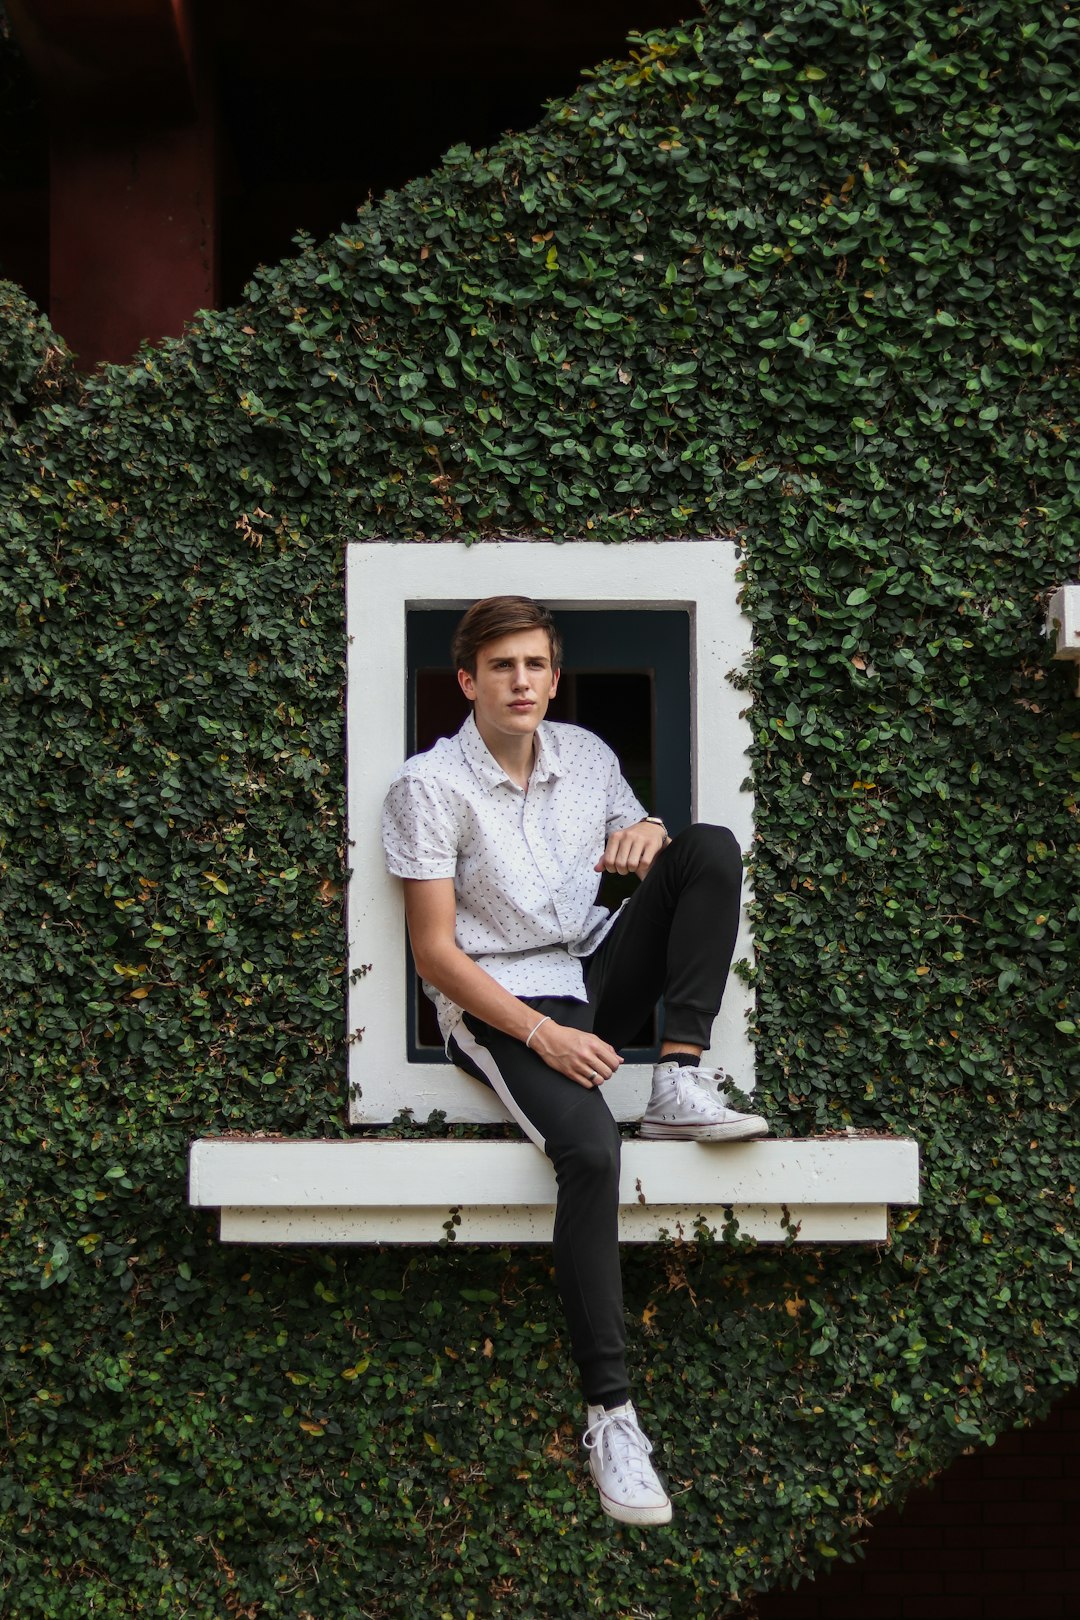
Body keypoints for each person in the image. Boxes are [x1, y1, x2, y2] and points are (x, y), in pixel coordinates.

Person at [381, 596, 769, 1527]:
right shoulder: (429, 787)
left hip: (589, 963)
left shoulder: (588, 756)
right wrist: (542, 1034)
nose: (522, 682)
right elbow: (436, 954)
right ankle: (612, 1414)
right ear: (467, 681)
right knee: (592, 1153)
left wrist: (647, 839)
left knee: (707, 846)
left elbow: (641, 847)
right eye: (502, 666)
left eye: (536, 666)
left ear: (555, 679)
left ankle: (679, 1073)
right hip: (501, 999)